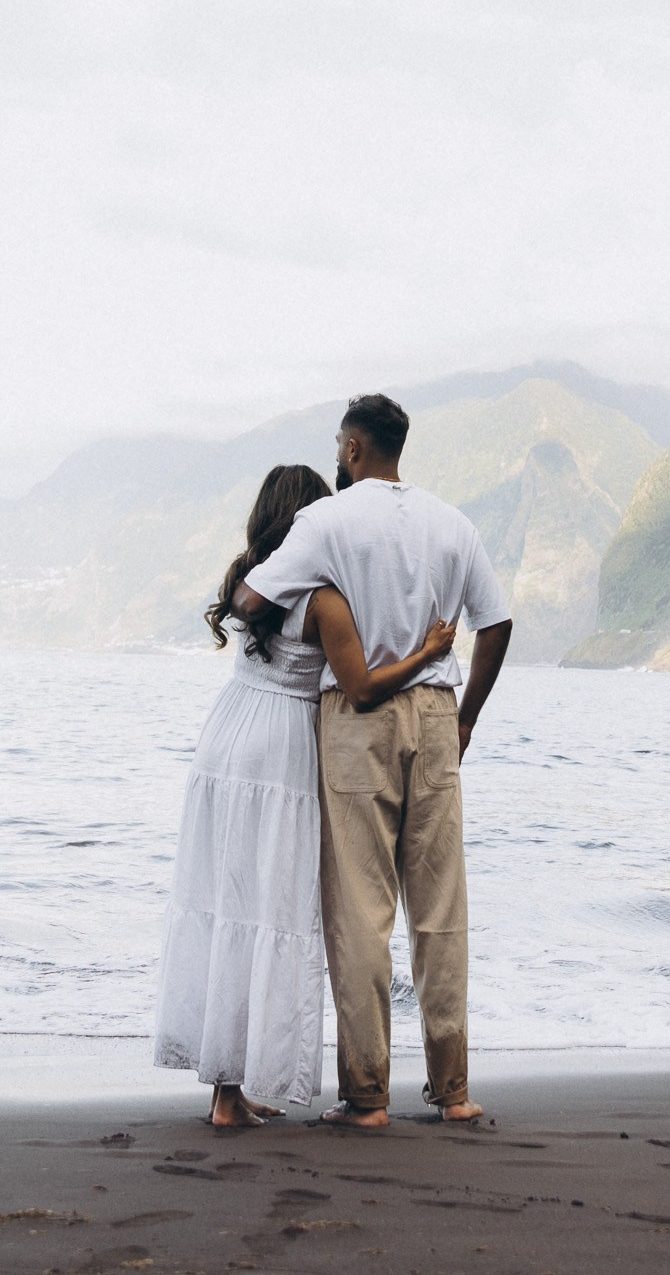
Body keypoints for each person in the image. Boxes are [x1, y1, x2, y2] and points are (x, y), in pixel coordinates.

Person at [237, 393, 512, 1129]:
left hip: (357, 719)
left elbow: (254, 594)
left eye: (338, 444)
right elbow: (497, 621)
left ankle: (368, 1097)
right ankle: (453, 1092)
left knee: (361, 912)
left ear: (354, 449)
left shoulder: (324, 521)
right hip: (434, 711)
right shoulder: (452, 523)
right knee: (440, 907)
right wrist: (469, 715)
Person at [153, 461, 457, 1128]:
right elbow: (363, 687)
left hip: (228, 734)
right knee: (272, 910)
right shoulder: (322, 599)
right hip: (284, 746)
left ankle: (228, 1089)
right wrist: (429, 652)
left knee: (229, 905)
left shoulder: (245, 580)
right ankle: (232, 1095)